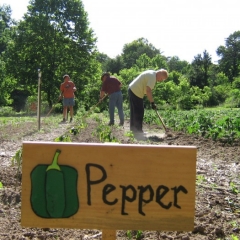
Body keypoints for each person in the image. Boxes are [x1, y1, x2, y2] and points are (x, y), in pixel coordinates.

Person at [128, 69, 168, 134]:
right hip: (135, 91)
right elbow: (148, 91)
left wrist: (151, 102)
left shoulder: (151, 73)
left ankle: (134, 131)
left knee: (135, 111)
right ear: (160, 74)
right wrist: (152, 103)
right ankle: (138, 132)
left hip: (132, 89)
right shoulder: (153, 77)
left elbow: (147, 91)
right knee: (139, 111)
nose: (161, 81)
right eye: (162, 79)